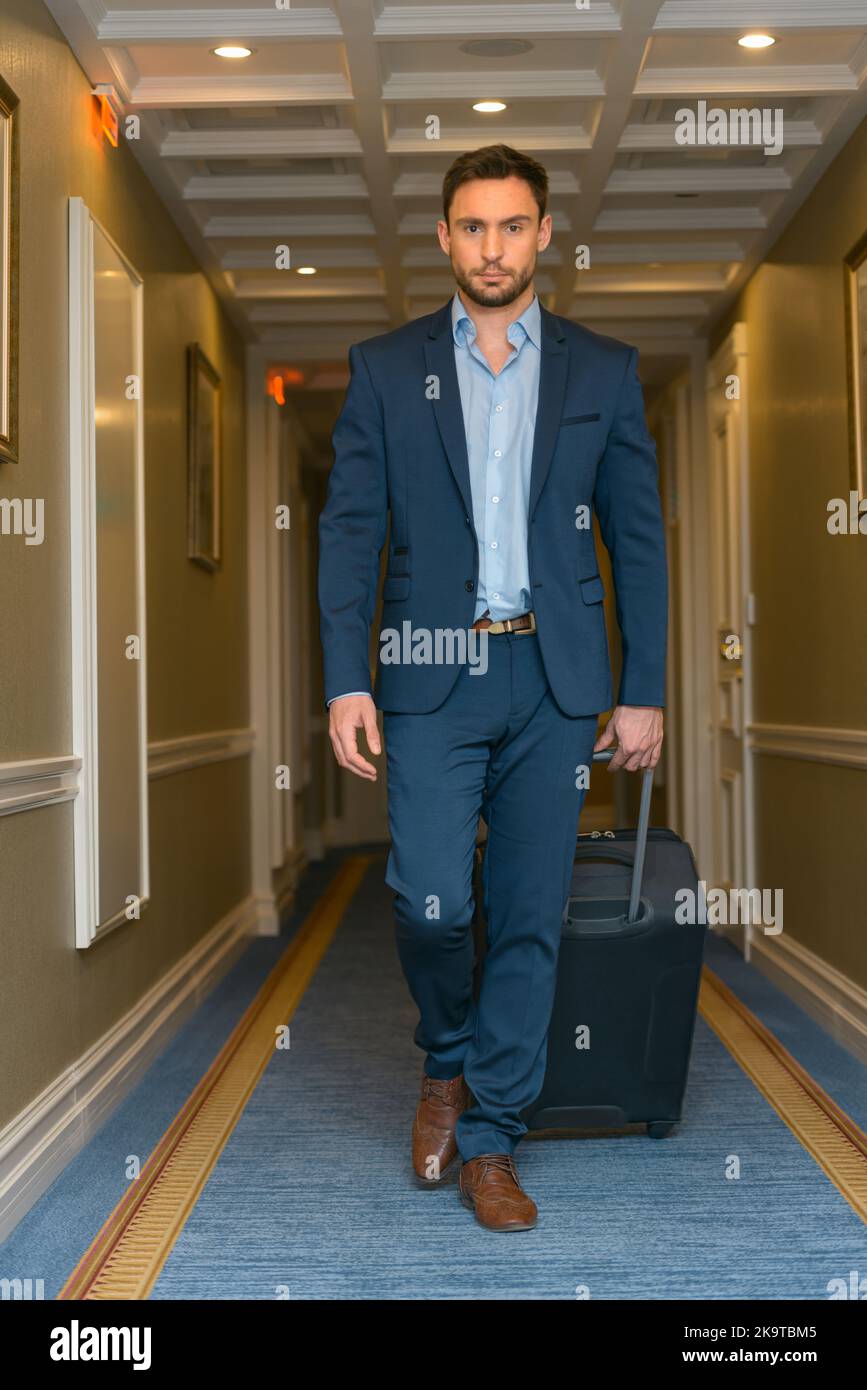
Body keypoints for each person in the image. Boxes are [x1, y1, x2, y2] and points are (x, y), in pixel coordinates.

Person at [318, 144, 667, 1232]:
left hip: (555, 679)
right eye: (473, 227)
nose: (493, 248)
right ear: (443, 238)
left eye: (513, 226)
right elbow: (350, 535)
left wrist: (643, 685)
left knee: (527, 916)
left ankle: (491, 1136)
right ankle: (446, 1056)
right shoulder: (385, 369)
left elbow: (637, 538)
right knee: (429, 899)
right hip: (429, 676)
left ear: (545, 234)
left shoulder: (602, 372)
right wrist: (344, 680)